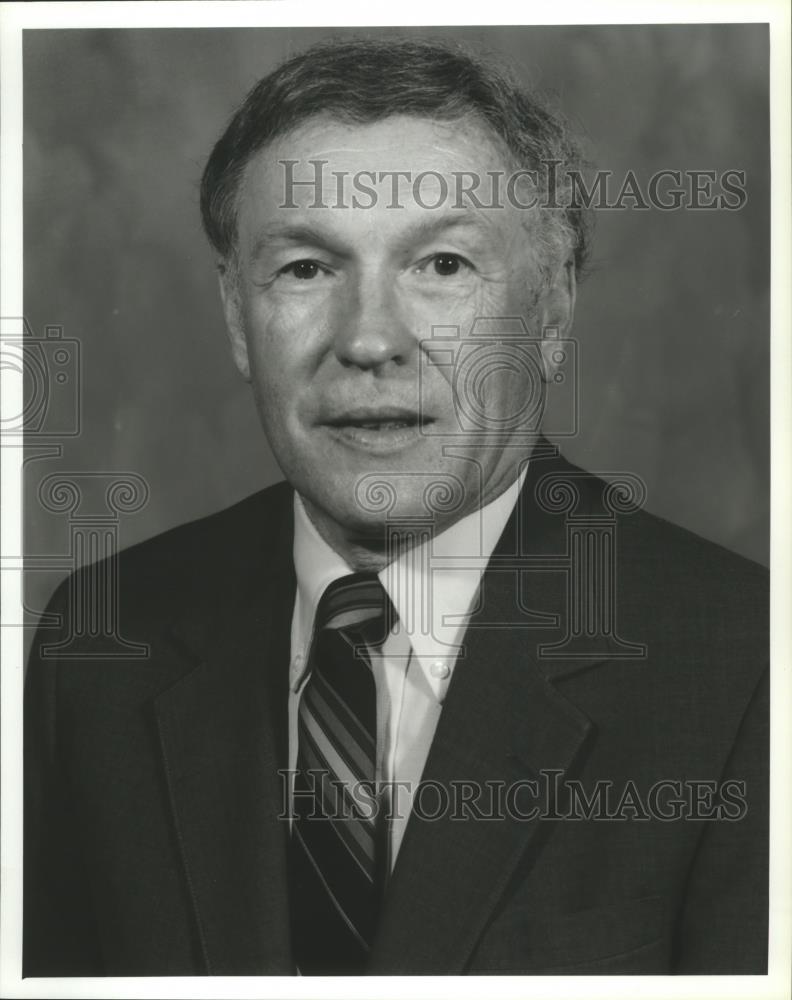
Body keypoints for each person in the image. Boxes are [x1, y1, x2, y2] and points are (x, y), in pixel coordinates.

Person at [24, 37, 768, 977]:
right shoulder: (100, 643)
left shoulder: (744, 663)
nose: (369, 339)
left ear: (553, 310)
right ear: (234, 319)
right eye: (305, 269)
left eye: (444, 265)